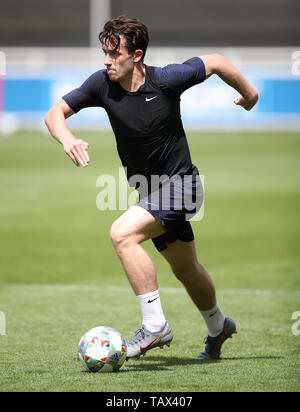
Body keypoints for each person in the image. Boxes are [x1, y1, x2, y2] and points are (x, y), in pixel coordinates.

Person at [45, 15, 258, 360]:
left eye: (115, 54)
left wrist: (249, 95)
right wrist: (67, 138)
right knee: (185, 268)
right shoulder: (102, 84)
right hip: (150, 192)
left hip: (183, 186)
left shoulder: (167, 79)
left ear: (137, 55)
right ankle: (219, 326)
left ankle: (154, 325)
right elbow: (54, 113)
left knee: (122, 234)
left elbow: (217, 62)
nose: (106, 61)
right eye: (105, 53)